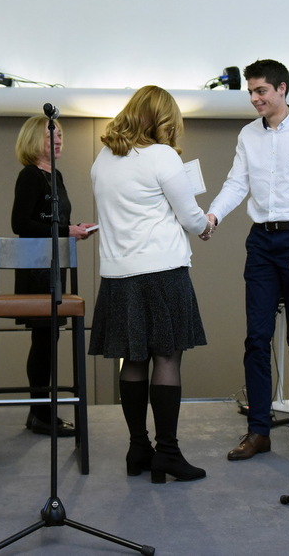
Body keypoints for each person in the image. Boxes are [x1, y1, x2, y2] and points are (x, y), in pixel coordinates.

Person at [207, 59, 289, 462]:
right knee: (256, 338)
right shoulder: (248, 134)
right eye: (251, 91)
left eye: (261, 90)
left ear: (282, 89)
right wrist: (213, 215)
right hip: (262, 242)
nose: (254, 98)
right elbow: (236, 183)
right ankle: (258, 430)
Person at [89, 85, 214, 484]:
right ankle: (169, 453)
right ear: (163, 119)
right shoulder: (162, 156)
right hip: (162, 272)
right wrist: (206, 224)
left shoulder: (102, 159)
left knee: (133, 359)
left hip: (118, 275)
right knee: (167, 358)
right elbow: (191, 218)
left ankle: (138, 448)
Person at [11, 115, 95, 437]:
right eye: (51, 135)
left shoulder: (55, 175)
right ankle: (41, 414)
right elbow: (20, 223)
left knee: (49, 339)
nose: (58, 140)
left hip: (54, 266)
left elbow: (56, 222)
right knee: (44, 339)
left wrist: (73, 229)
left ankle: (40, 413)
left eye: (60, 135)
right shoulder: (30, 175)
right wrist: (64, 231)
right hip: (35, 269)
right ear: (34, 140)